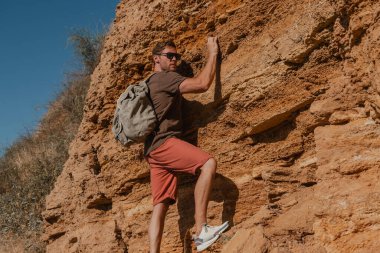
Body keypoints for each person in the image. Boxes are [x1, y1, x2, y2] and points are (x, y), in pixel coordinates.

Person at [144, 37, 229, 252]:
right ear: (156, 59)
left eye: (177, 56)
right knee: (208, 163)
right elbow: (202, 84)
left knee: (160, 205)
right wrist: (213, 53)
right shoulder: (166, 78)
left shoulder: (149, 83)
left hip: (152, 150)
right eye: (169, 56)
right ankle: (201, 231)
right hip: (165, 143)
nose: (174, 60)